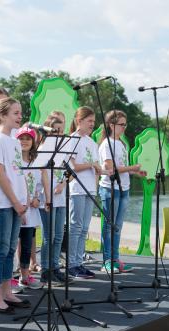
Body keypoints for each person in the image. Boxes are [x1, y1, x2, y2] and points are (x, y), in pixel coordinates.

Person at [0, 97, 30, 313]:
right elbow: (0, 173)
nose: (20, 116)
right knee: (1, 248)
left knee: (11, 248)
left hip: (16, 204)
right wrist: (14, 201)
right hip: (3, 203)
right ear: (2, 116)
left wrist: (23, 201)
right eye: (15, 112)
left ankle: (7, 291)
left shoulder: (14, 140)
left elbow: (19, 173)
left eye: (20, 112)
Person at [98, 110, 145, 273]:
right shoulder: (107, 144)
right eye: (121, 124)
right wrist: (132, 167)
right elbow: (110, 168)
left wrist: (135, 172)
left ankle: (115, 260)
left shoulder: (122, 144)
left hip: (124, 189)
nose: (124, 127)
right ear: (111, 125)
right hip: (111, 189)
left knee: (117, 227)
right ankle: (107, 262)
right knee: (109, 227)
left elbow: (121, 168)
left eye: (125, 124)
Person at [67, 107, 101, 279]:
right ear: (78, 121)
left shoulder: (92, 142)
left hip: (89, 190)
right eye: (89, 121)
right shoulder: (72, 140)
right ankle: (71, 264)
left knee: (84, 228)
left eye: (93, 122)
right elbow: (73, 167)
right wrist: (91, 165)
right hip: (77, 189)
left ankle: (79, 262)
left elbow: (96, 167)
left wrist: (98, 173)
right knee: (76, 226)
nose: (92, 125)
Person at [39, 114, 71, 286]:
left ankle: (55, 267)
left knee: (59, 236)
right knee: (48, 236)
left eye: (61, 131)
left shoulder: (63, 150)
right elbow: (40, 174)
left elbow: (69, 172)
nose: (59, 134)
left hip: (60, 199)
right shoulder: (43, 149)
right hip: (47, 199)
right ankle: (45, 270)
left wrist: (62, 183)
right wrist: (48, 196)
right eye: (56, 131)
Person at [14, 125, 43, 290]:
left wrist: (37, 198)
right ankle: (16, 275)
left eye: (28, 138)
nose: (24, 142)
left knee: (27, 242)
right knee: (14, 242)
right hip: (17, 207)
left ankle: (25, 276)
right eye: (21, 138)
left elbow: (38, 185)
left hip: (31, 210)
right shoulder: (15, 161)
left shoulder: (36, 162)